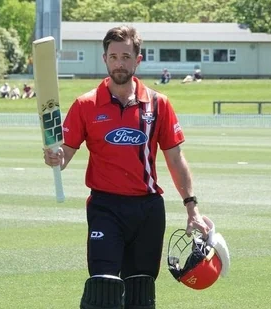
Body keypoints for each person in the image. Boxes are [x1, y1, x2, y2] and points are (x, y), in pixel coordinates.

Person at [43, 25, 210, 309]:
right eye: (113, 56)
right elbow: (65, 153)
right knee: (103, 287)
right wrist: (56, 158)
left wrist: (192, 208)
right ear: (104, 58)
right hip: (105, 208)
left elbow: (175, 158)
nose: (119, 63)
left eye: (125, 56)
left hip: (147, 210)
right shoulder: (86, 104)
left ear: (137, 59)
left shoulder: (158, 104)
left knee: (140, 293)